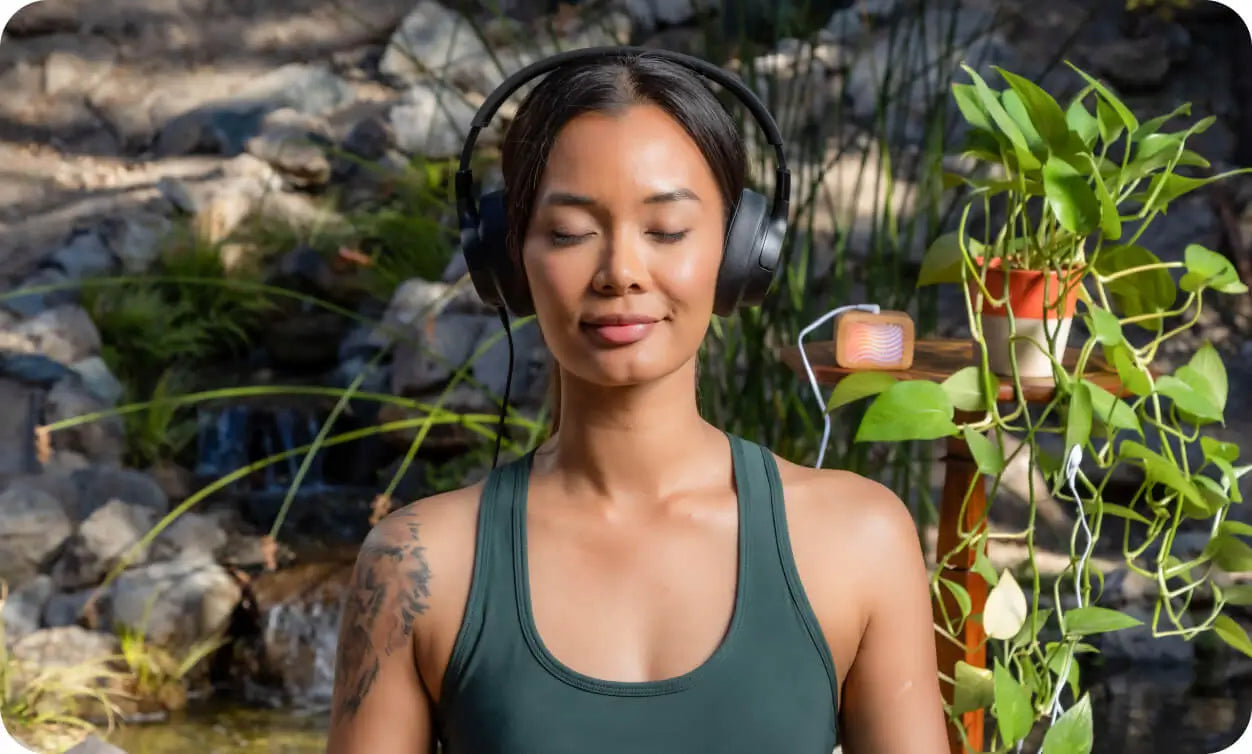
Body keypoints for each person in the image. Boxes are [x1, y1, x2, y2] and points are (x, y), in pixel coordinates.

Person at [325, 48, 948, 754]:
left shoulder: (859, 540)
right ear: (507, 259)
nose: (620, 271)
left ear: (742, 253)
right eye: (569, 233)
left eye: (667, 231)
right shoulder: (418, 563)